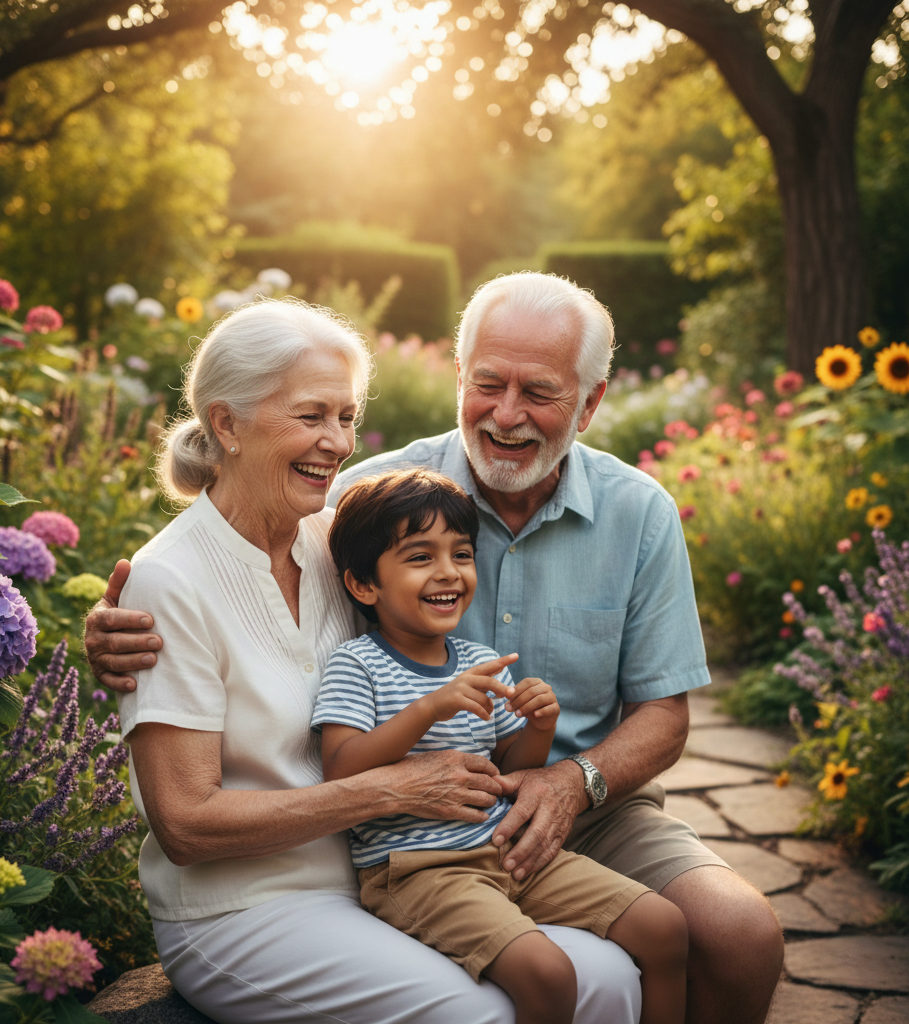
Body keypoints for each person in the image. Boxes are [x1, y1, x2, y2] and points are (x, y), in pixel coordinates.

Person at [87, 273, 784, 1024]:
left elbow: (664, 715)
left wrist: (569, 779)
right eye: (488, 383)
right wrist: (115, 636)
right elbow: (218, 554)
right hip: (391, 847)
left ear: (591, 402)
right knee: (511, 1000)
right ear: (459, 377)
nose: (507, 414)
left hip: (572, 805)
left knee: (697, 949)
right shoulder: (365, 511)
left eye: (539, 392)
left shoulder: (630, 511)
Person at [313, 467, 688, 1024]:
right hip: (419, 871)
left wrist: (537, 724)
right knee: (549, 974)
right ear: (364, 585)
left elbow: (512, 772)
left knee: (666, 928)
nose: (449, 573)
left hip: (507, 850)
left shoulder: (478, 661)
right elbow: (341, 769)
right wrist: (431, 707)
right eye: (420, 558)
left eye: (461, 554)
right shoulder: (357, 665)